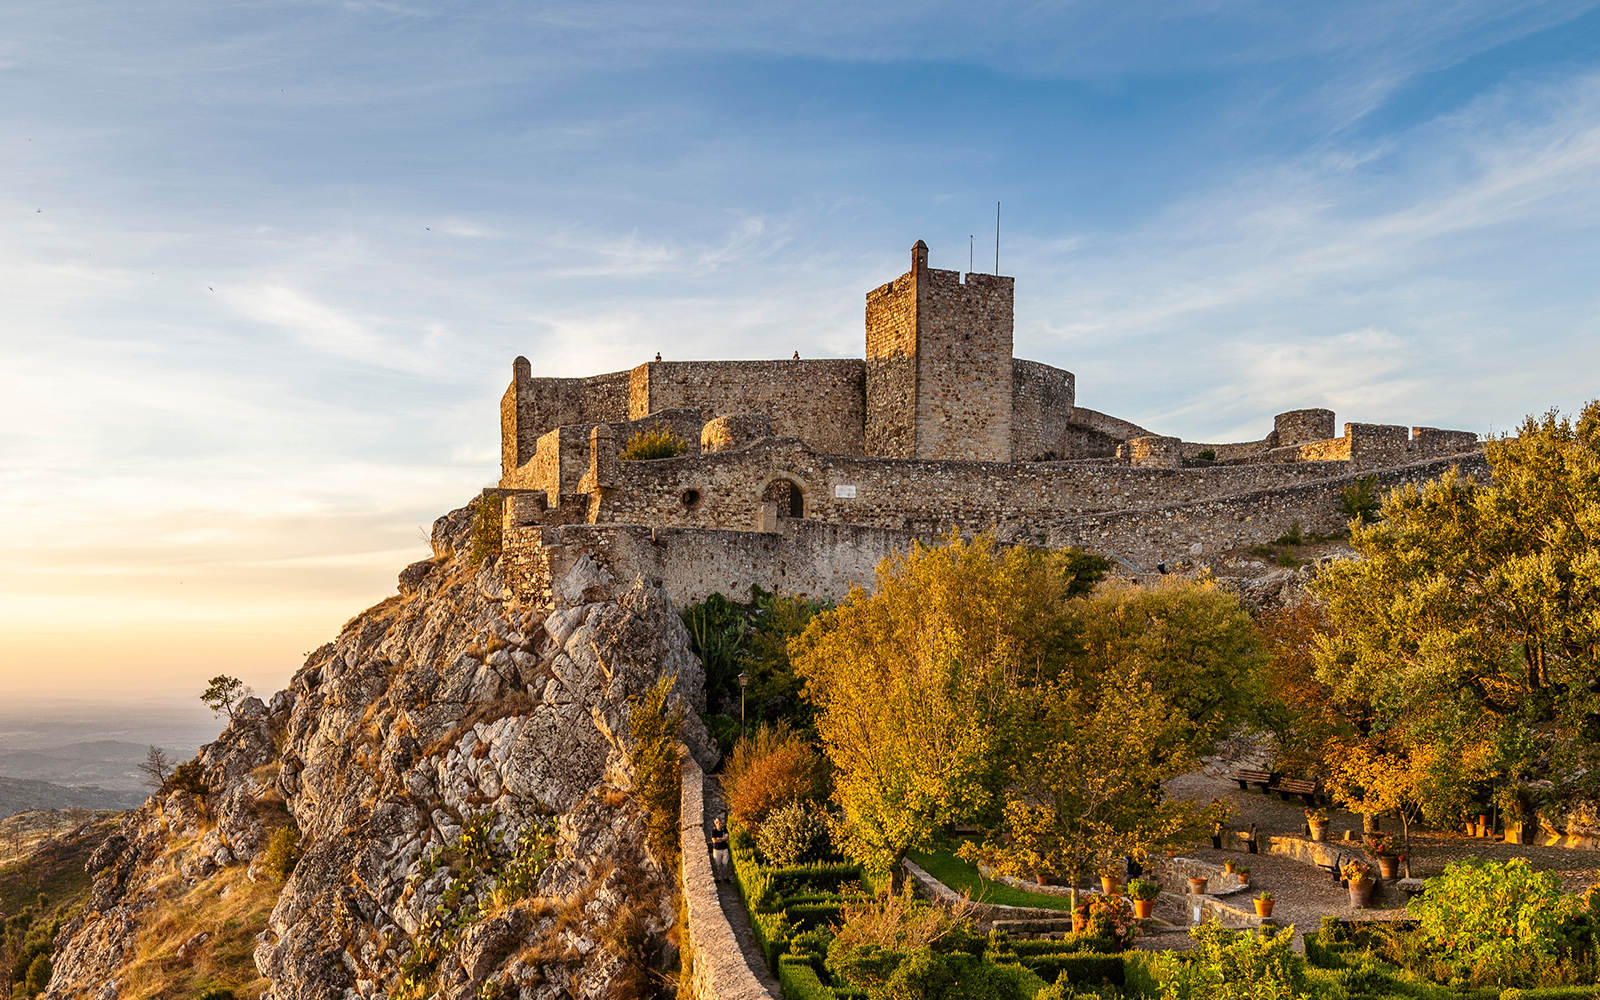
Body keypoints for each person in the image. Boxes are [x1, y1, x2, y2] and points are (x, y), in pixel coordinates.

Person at [710, 816, 730, 881]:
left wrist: (719, 839)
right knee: (718, 865)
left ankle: (725, 877)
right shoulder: (714, 831)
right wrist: (723, 839)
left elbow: (727, 837)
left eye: (721, 823)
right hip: (717, 850)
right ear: (716, 824)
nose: (721, 825)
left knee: (725, 864)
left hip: (724, 849)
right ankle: (719, 878)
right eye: (719, 824)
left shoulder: (724, 829)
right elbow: (714, 840)